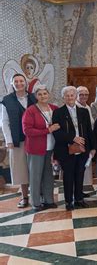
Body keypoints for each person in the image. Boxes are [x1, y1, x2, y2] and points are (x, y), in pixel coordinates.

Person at [52, 86, 95, 211]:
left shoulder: (84, 112)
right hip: (66, 150)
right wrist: (73, 138)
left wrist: (92, 148)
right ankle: (69, 201)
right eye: (67, 95)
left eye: (72, 95)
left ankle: (79, 199)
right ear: (63, 97)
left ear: (76, 96)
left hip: (82, 150)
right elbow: (57, 133)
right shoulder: (58, 112)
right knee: (68, 176)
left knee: (79, 174)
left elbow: (89, 131)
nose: (70, 97)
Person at [1, 73, 36, 208]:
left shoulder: (33, 98)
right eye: (16, 81)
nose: (19, 83)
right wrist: (8, 140)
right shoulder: (7, 100)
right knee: (21, 169)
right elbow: (4, 122)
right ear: (12, 83)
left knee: (35, 167)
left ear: (25, 83)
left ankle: (36, 195)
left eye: (21, 81)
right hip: (17, 140)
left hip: (34, 139)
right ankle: (24, 196)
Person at [22, 85, 59, 211]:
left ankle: (48, 200)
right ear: (35, 96)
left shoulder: (54, 108)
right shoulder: (31, 110)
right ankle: (36, 202)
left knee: (49, 175)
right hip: (36, 148)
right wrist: (47, 130)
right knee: (35, 176)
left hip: (51, 147)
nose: (43, 96)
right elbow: (27, 131)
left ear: (48, 94)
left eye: (45, 93)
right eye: (40, 94)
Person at [76, 86, 94, 189]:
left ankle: (80, 191)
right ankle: (77, 192)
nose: (84, 96)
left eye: (86, 94)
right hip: (78, 143)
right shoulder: (75, 107)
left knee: (84, 169)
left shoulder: (87, 107)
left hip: (87, 142)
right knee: (77, 169)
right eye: (81, 94)